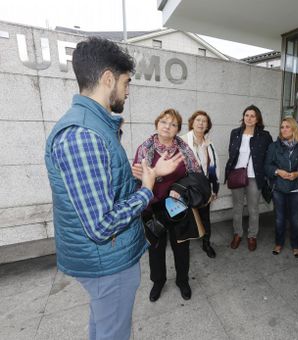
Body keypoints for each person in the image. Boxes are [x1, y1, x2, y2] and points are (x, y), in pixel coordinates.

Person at [44, 37, 183, 340]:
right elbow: (101, 224)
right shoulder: (83, 134)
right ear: (108, 79)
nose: (128, 91)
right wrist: (146, 190)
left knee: (104, 326)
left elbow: (107, 190)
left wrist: (150, 174)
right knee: (114, 333)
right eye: (126, 82)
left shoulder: (95, 127)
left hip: (106, 257)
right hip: (106, 259)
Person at [133, 109, 202, 303]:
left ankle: (183, 280)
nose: (167, 126)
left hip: (178, 207)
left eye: (173, 124)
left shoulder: (184, 150)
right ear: (157, 124)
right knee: (155, 248)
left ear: (178, 129)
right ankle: (158, 281)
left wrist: (180, 188)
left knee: (181, 247)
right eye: (164, 122)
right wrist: (147, 175)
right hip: (152, 208)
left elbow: (196, 176)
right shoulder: (144, 149)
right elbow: (138, 178)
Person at [264, 117, 298, 257]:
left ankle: (296, 245)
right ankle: (279, 243)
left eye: (287, 126)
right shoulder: (274, 146)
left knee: (295, 219)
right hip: (279, 188)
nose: (284, 129)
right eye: (282, 127)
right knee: (279, 218)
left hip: (297, 188)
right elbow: (267, 167)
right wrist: (278, 171)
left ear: (294, 129)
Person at [225, 104, 273, 251]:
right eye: (247, 115)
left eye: (253, 116)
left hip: (255, 177)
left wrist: (266, 173)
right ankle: (238, 234)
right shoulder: (235, 133)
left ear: (257, 118)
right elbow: (231, 152)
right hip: (237, 175)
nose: (249, 118)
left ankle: (252, 235)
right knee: (237, 207)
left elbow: (269, 156)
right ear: (243, 117)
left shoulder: (264, 136)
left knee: (253, 209)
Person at [181, 110, 220, 258]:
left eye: (204, 121)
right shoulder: (183, 141)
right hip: (188, 186)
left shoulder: (209, 144)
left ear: (207, 126)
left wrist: (214, 189)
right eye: (198, 120)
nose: (201, 123)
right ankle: (184, 246)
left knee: (205, 217)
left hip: (204, 188)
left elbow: (214, 168)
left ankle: (206, 243)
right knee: (185, 217)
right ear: (192, 122)